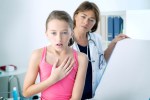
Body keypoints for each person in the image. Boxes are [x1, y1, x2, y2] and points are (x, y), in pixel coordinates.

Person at [23, 10, 88, 100]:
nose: (59, 39)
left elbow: (76, 98)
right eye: (53, 33)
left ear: (71, 33)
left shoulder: (82, 59)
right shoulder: (37, 55)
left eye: (64, 32)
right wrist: (53, 79)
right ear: (47, 34)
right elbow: (26, 92)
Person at [72, 1, 129, 99]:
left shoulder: (96, 39)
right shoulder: (63, 39)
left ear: (94, 24)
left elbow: (101, 62)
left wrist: (113, 43)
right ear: (76, 15)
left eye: (91, 20)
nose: (86, 22)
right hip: (72, 95)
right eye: (83, 16)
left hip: (92, 94)